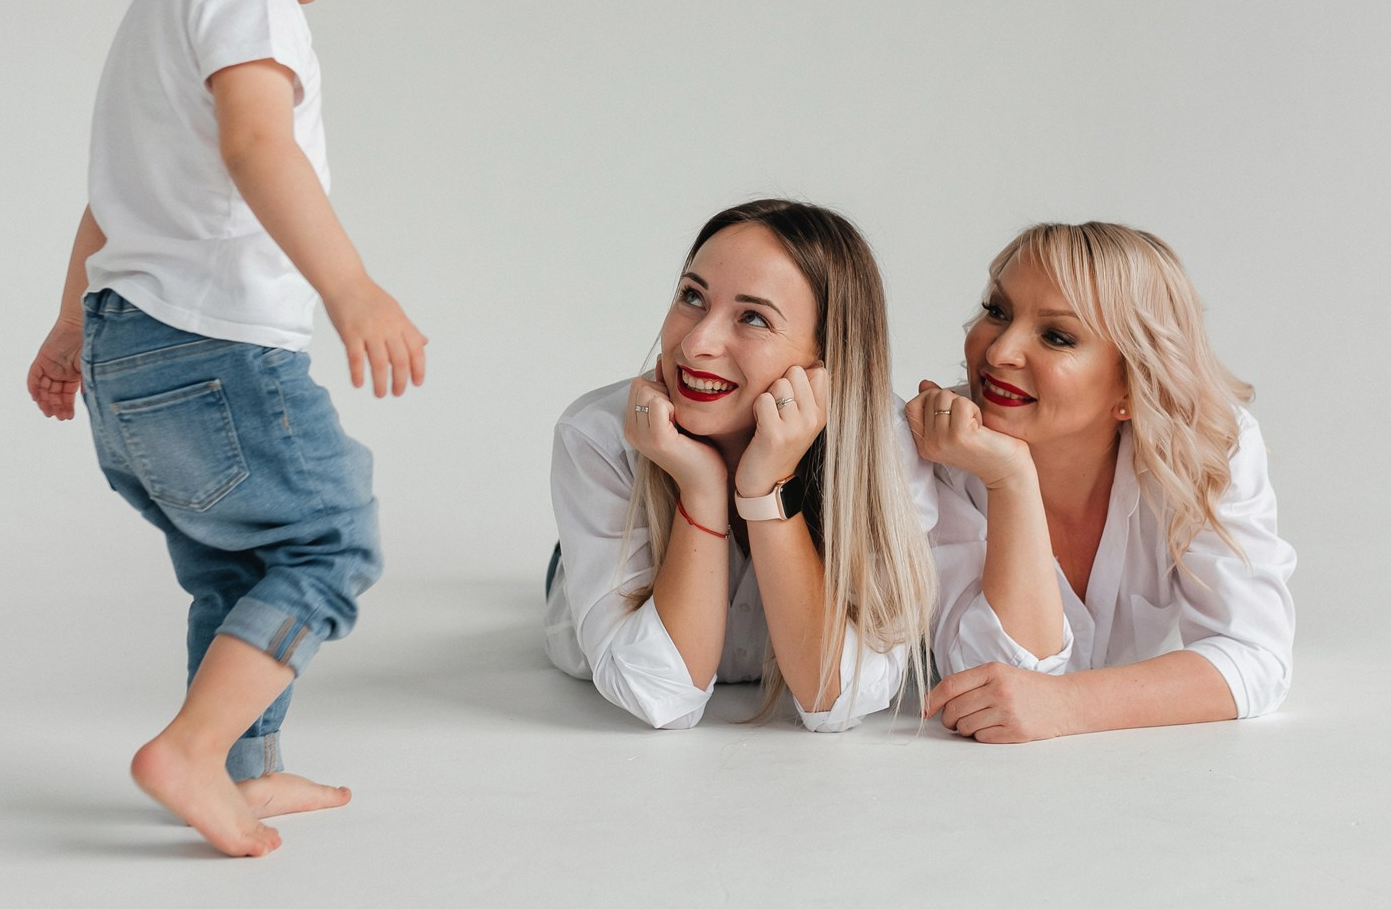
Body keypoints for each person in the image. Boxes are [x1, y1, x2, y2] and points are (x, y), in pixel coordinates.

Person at [24, 0, 428, 855]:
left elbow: (110, 200)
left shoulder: (158, 4)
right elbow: (261, 148)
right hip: (212, 353)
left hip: (128, 354)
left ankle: (244, 765)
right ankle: (192, 750)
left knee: (238, 567)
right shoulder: (253, 3)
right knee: (330, 540)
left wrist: (70, 326)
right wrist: (350, 289)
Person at [545, 200, 937, 730]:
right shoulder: (598, 435)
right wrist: (701, 487)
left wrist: (765, 488)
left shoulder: (882, 445)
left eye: (753, 317)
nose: (696, 342)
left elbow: (835, 700)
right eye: (692, 296)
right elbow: (656, 695)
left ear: (829, 361)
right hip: (598, 569)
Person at [912, 222, 1295, 743]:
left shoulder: (1207, 448)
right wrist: (1009, 478)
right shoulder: (932, 451)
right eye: (997, 310)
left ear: (1133, 388)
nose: (999, 351)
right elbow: (989, 684)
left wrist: (1069, 705)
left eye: (1056, 336)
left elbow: (1255, 655)